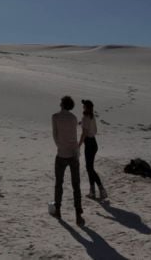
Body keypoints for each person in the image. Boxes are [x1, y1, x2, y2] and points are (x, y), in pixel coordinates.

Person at [51, 95, 85, 226]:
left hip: (61, 154)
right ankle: (78, 215)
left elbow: (55, 136)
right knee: (76, 185)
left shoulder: (55, 117)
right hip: (73, 154)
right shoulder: (73, 118)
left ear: (62, 104)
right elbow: (74, 137)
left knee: (59, 183)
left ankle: (58, 210)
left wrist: (61, 147)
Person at [79, 99, 108, 201]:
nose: (82, 107)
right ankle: (93, 191)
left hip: (89, 144)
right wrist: (81, 123)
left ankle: (101, 189)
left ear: (86, 107)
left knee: (90, 168)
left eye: (83, 105)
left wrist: (79, 145)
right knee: (89, 168)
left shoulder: (86, 117)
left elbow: (84, 133)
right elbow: (89, 127)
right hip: (93, 143)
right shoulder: (91, 116)